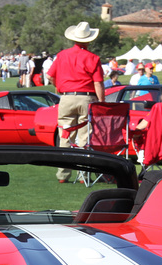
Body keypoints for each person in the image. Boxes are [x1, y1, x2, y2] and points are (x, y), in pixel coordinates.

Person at [47, 21, 105, 183]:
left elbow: (50, 76)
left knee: (65, 135)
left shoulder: (62, 55)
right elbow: (98, 83)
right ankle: (83, 175)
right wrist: (102, 102)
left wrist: (59, 87)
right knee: (85, 138)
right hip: (87, 98)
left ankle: (63, 175)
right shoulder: (93, 58)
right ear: (88, 40)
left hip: (66, 97)